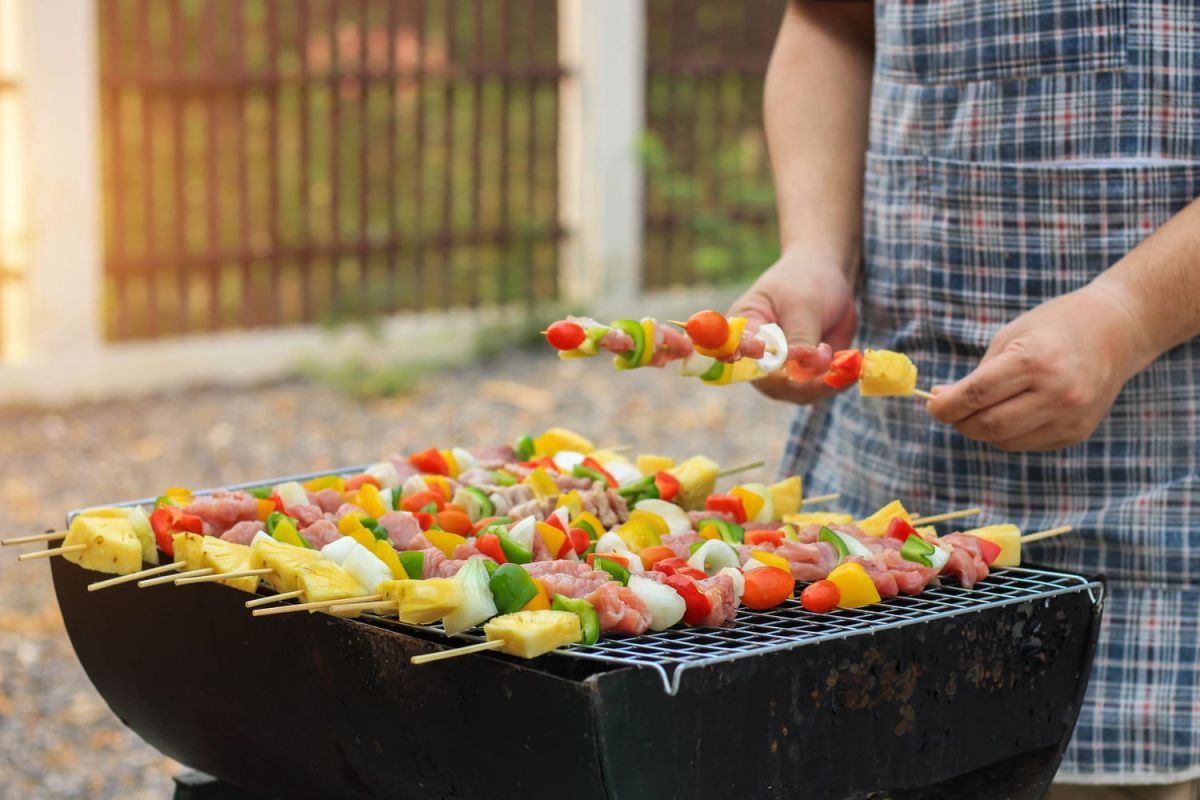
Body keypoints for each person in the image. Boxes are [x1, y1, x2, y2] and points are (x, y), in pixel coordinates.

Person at [730, 2, 1200, 797]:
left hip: (1157, 547)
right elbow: (830, 23)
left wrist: (1128, 317)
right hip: (875, 513)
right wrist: (815, 248)